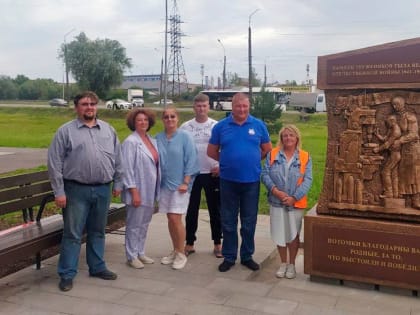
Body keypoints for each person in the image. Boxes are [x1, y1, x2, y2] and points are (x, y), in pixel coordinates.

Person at [47, 91, 123, 292]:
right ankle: (66, 274)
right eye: (84, 104)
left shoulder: (108, 130)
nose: (89, 107)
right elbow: (54, 163)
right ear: (76, 107)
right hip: (75, 190)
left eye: (92, 104)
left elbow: (118, 158)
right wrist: (59, 192)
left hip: (103, 189)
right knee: (72, 234)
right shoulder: (65, 132)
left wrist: (118, 183)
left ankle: (97, 267)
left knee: (98, 231)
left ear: (96, 106)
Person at [207, 92, 272, 272]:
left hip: (251, 181)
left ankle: (247, 256)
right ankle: (229, 256)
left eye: (245, 106)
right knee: (228, 220)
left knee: (249, 221)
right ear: (232, 107)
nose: (241, 110)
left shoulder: (259, 125)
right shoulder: (221, 127)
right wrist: (227, 161)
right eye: (238, 106)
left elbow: (267, 149)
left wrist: (250, 160)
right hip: (228, 181)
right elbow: (211, 151)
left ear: (248, 107)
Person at [261, 124, 312, 279]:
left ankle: (292, 265)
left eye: (291, 135)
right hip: (276, 202)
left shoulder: (305, 156)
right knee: (280, 232)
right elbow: (264, 174)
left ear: (297, 138)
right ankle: (283, 263)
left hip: (295, 204)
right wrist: (275, 191)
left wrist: (294, 197)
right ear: (281, 139)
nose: (288, 138)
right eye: (285, 136)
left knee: (293, 233)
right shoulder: (273, 154)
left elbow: (308, 180)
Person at [156, 107, 199, 270]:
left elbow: (192, 160)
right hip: (164, 185)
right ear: (163, 120)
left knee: (176, 218)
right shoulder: (158, 138)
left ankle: (181, 253)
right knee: (169, 219)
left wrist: (186, 181)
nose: (169, 119)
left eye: (172, 116)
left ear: (177, 119)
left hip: (180, 185)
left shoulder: (185, 137)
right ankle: (175, 249)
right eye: (166, 117)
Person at [180, 93, 222, 258]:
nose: (201, 109)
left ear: (209, 107)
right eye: (198, 106)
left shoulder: (216, 126)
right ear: (194, 107)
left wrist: (220, 166)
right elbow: (182, 150)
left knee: (215, 210)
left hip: (212, 173)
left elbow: (223, 147)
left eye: (204, 106)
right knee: (191, 210)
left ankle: (218, 243)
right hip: (193, 174)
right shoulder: (185, 127)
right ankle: (190, 243)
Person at [121, 108, 160, 269]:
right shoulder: (131, 142)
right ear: (133, 123)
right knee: (134, 224)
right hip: (138, 189)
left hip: (150, 190)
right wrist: (133, 190)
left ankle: (140, 252)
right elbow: (126, 168)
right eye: (139, 120)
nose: (143, 122)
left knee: (144, 223)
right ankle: (131, 255)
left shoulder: (152, 140)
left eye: (145, 120)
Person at [391, 96, 420, 209]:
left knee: (414, 174)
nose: (394, 107)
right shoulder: (397, 117)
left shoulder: (410, 117)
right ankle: (407, 200)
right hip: (404, 150)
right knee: (404, 175)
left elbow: (414, 135)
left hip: (413, 150)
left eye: (396, 104)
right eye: (393, 105)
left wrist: (400, 141)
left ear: (403, 104)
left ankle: (416, 199)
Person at [373, 114, 401, 198]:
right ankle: (395, 194)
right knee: (394, 175)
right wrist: (377, 135)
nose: (387, 124)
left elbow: (387, 144)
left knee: (385, 172)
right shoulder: (391, 129)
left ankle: (389, 193)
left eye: (388, 122)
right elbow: (385, 139)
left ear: (392, 121)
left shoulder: (396, 131)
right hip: (393, 154)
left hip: (395, 155)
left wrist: (377, 149)